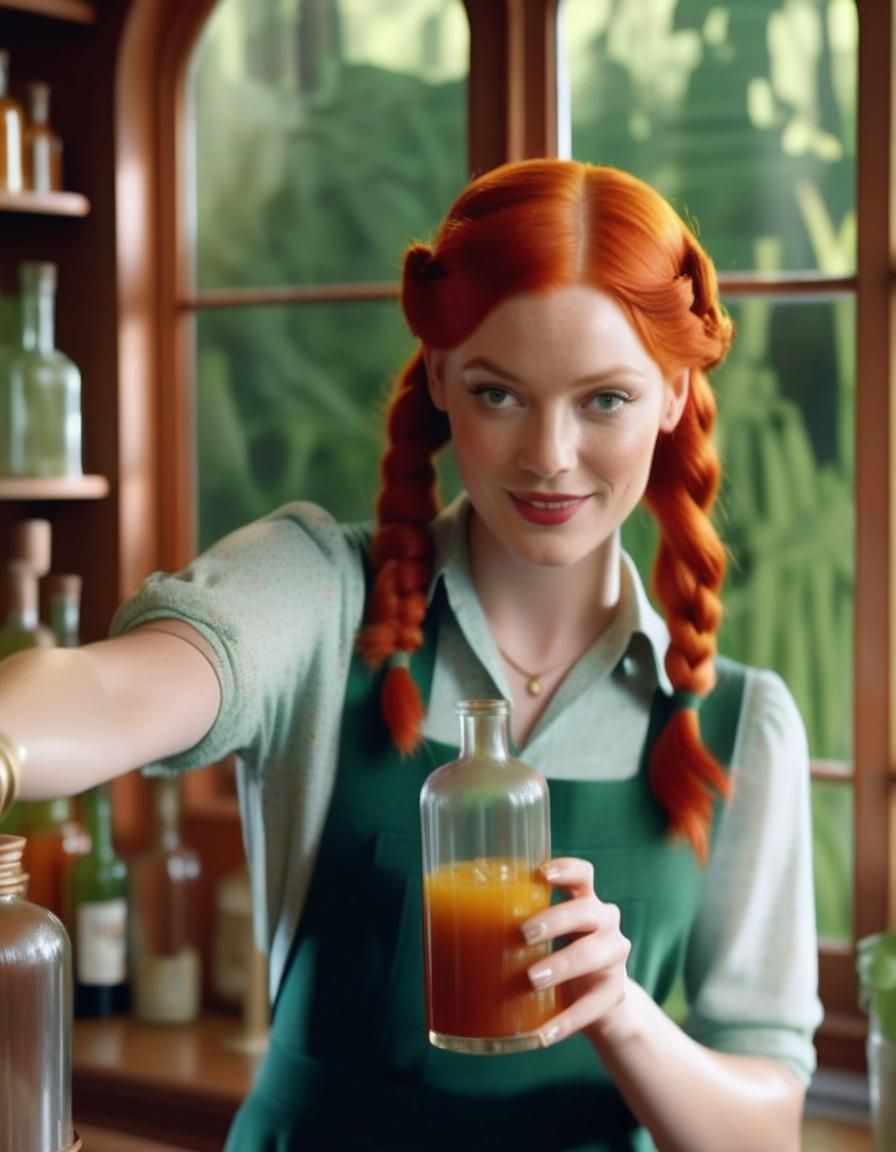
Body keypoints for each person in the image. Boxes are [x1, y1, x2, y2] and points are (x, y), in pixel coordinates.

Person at [0, 159, 821, 1152]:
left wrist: (619, 1011)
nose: (548, 455)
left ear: (672, 391)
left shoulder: (740, 724)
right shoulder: (320, 595)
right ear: (438, 375)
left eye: (602, 399)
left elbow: (765, 1132)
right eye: (499, 394)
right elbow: (113, 691)